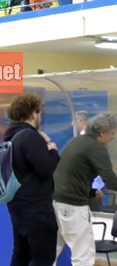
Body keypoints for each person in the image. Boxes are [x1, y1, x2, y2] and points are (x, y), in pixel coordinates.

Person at [3, 94, 60, 266]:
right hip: (37, 210)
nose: (40, 117)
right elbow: (45, 169)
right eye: (39, 113)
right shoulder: (29, 136)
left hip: (18, 207)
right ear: (33, 114)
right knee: (43, 259)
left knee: (20, 255)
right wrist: (53, 152)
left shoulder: (11, 137)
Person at [53, 113, 117, 266]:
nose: (113, 137)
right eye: (113, 133)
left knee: (51, 253)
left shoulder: (76, 142)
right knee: (83, 257)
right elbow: (110, 179)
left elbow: (72, 174)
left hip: (56, 202)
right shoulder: (96, 148)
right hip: (73, 206)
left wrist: (91, 192)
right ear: (102, 132)